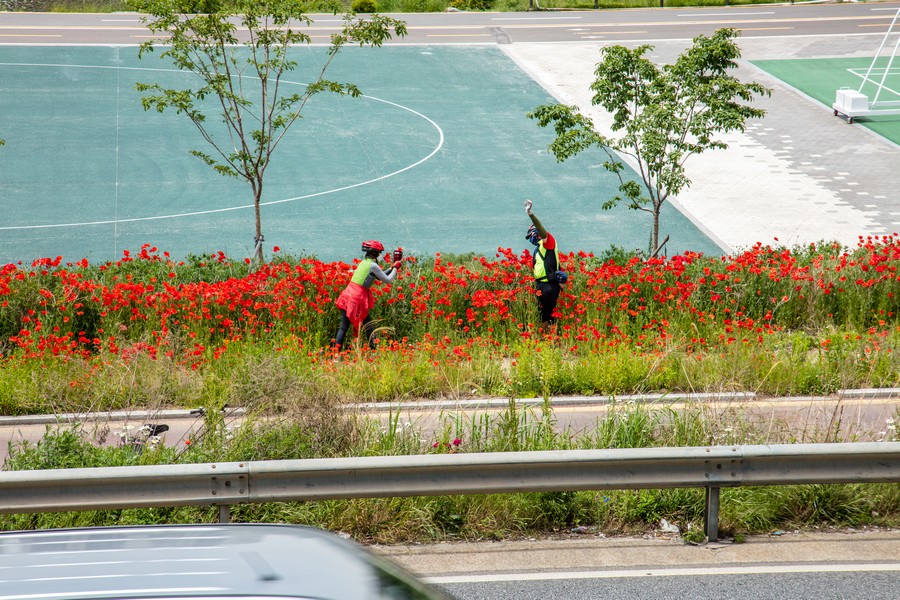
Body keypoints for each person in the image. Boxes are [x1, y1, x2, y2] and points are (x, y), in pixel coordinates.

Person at [334, 240, 402, 351]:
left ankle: (335, 354)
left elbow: (380, 276)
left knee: (344, 327)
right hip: (357, 299)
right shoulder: (373, 265)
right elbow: (388, 280)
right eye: (380, 253)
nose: (381, 255)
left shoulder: (364, 262)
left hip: (347, 295)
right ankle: (373, 351)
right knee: (369, 326)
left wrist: (391, 268)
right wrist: (396, 268)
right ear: (375, 253)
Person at [524, 199, 561, 330]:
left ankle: (552, 342)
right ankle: (546, 342)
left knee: (549, 316)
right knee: (543, 315)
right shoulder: (540, 248)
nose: (531, 239)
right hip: (542, 284)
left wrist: (530, 214)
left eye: (532, 235)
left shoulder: (548, 241)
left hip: (548, 285)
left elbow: (540, 228)